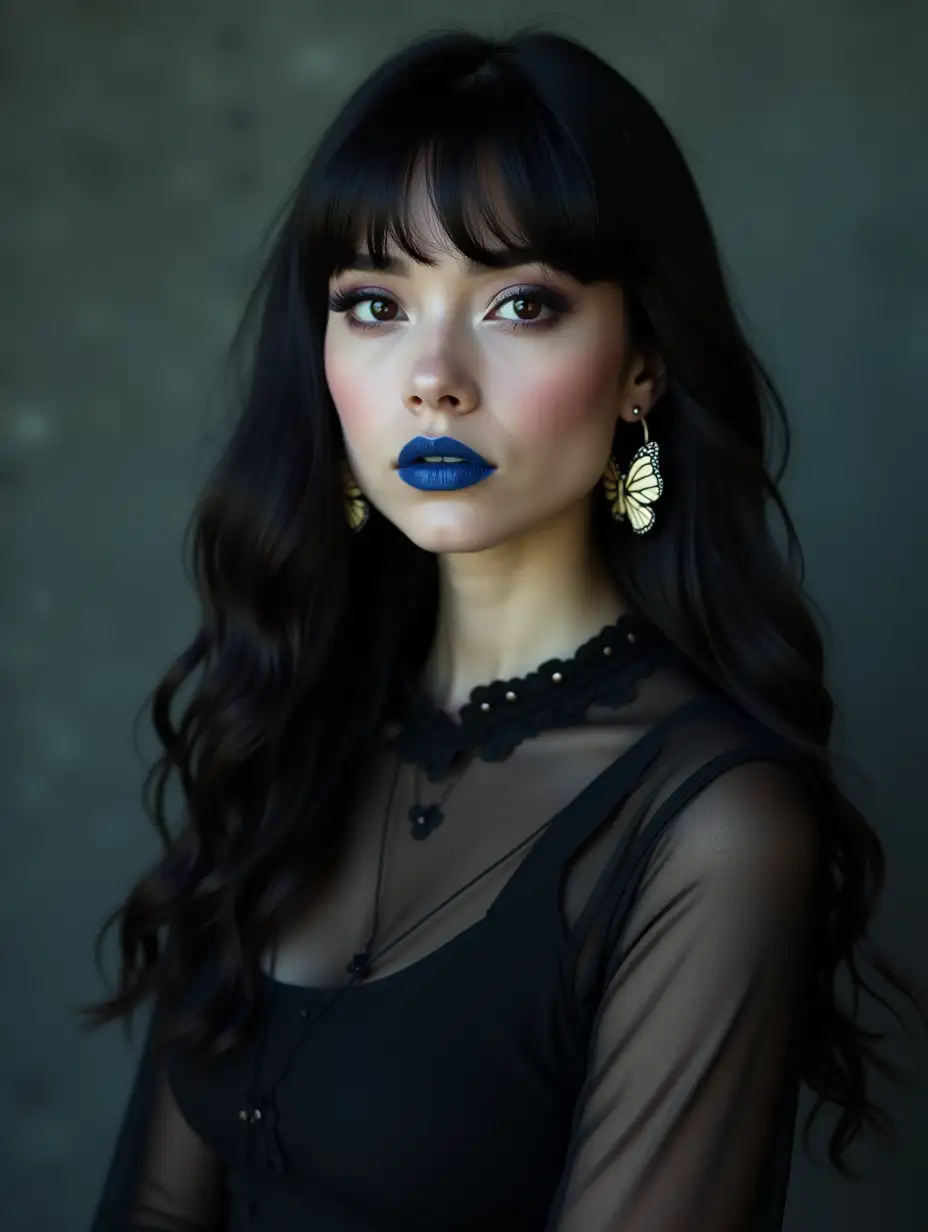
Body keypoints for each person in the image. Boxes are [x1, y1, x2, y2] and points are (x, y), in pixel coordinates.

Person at [80, 25, 921, 1232]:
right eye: (373, 302)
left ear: (640, 366)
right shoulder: (293, 725)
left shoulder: (711, 827)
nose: (432, 374)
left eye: (521, 302)